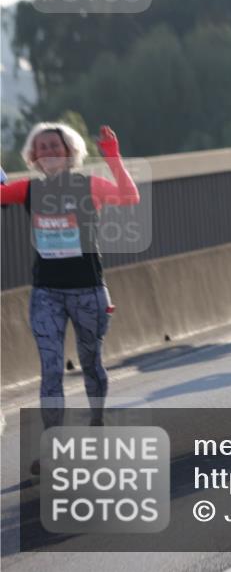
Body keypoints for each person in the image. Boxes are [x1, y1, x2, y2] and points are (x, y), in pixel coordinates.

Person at [1, 123, 140, 472]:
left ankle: (97, 421)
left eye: (55, 146)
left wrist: (113, 157)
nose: (49, 151)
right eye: (42, 147)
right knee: (51, 371)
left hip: (88, 291)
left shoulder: (88, 185)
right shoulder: (28, 189)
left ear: (69, 153)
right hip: (46, 293)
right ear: (33, 156)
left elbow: (129, 197)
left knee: (90, 363)